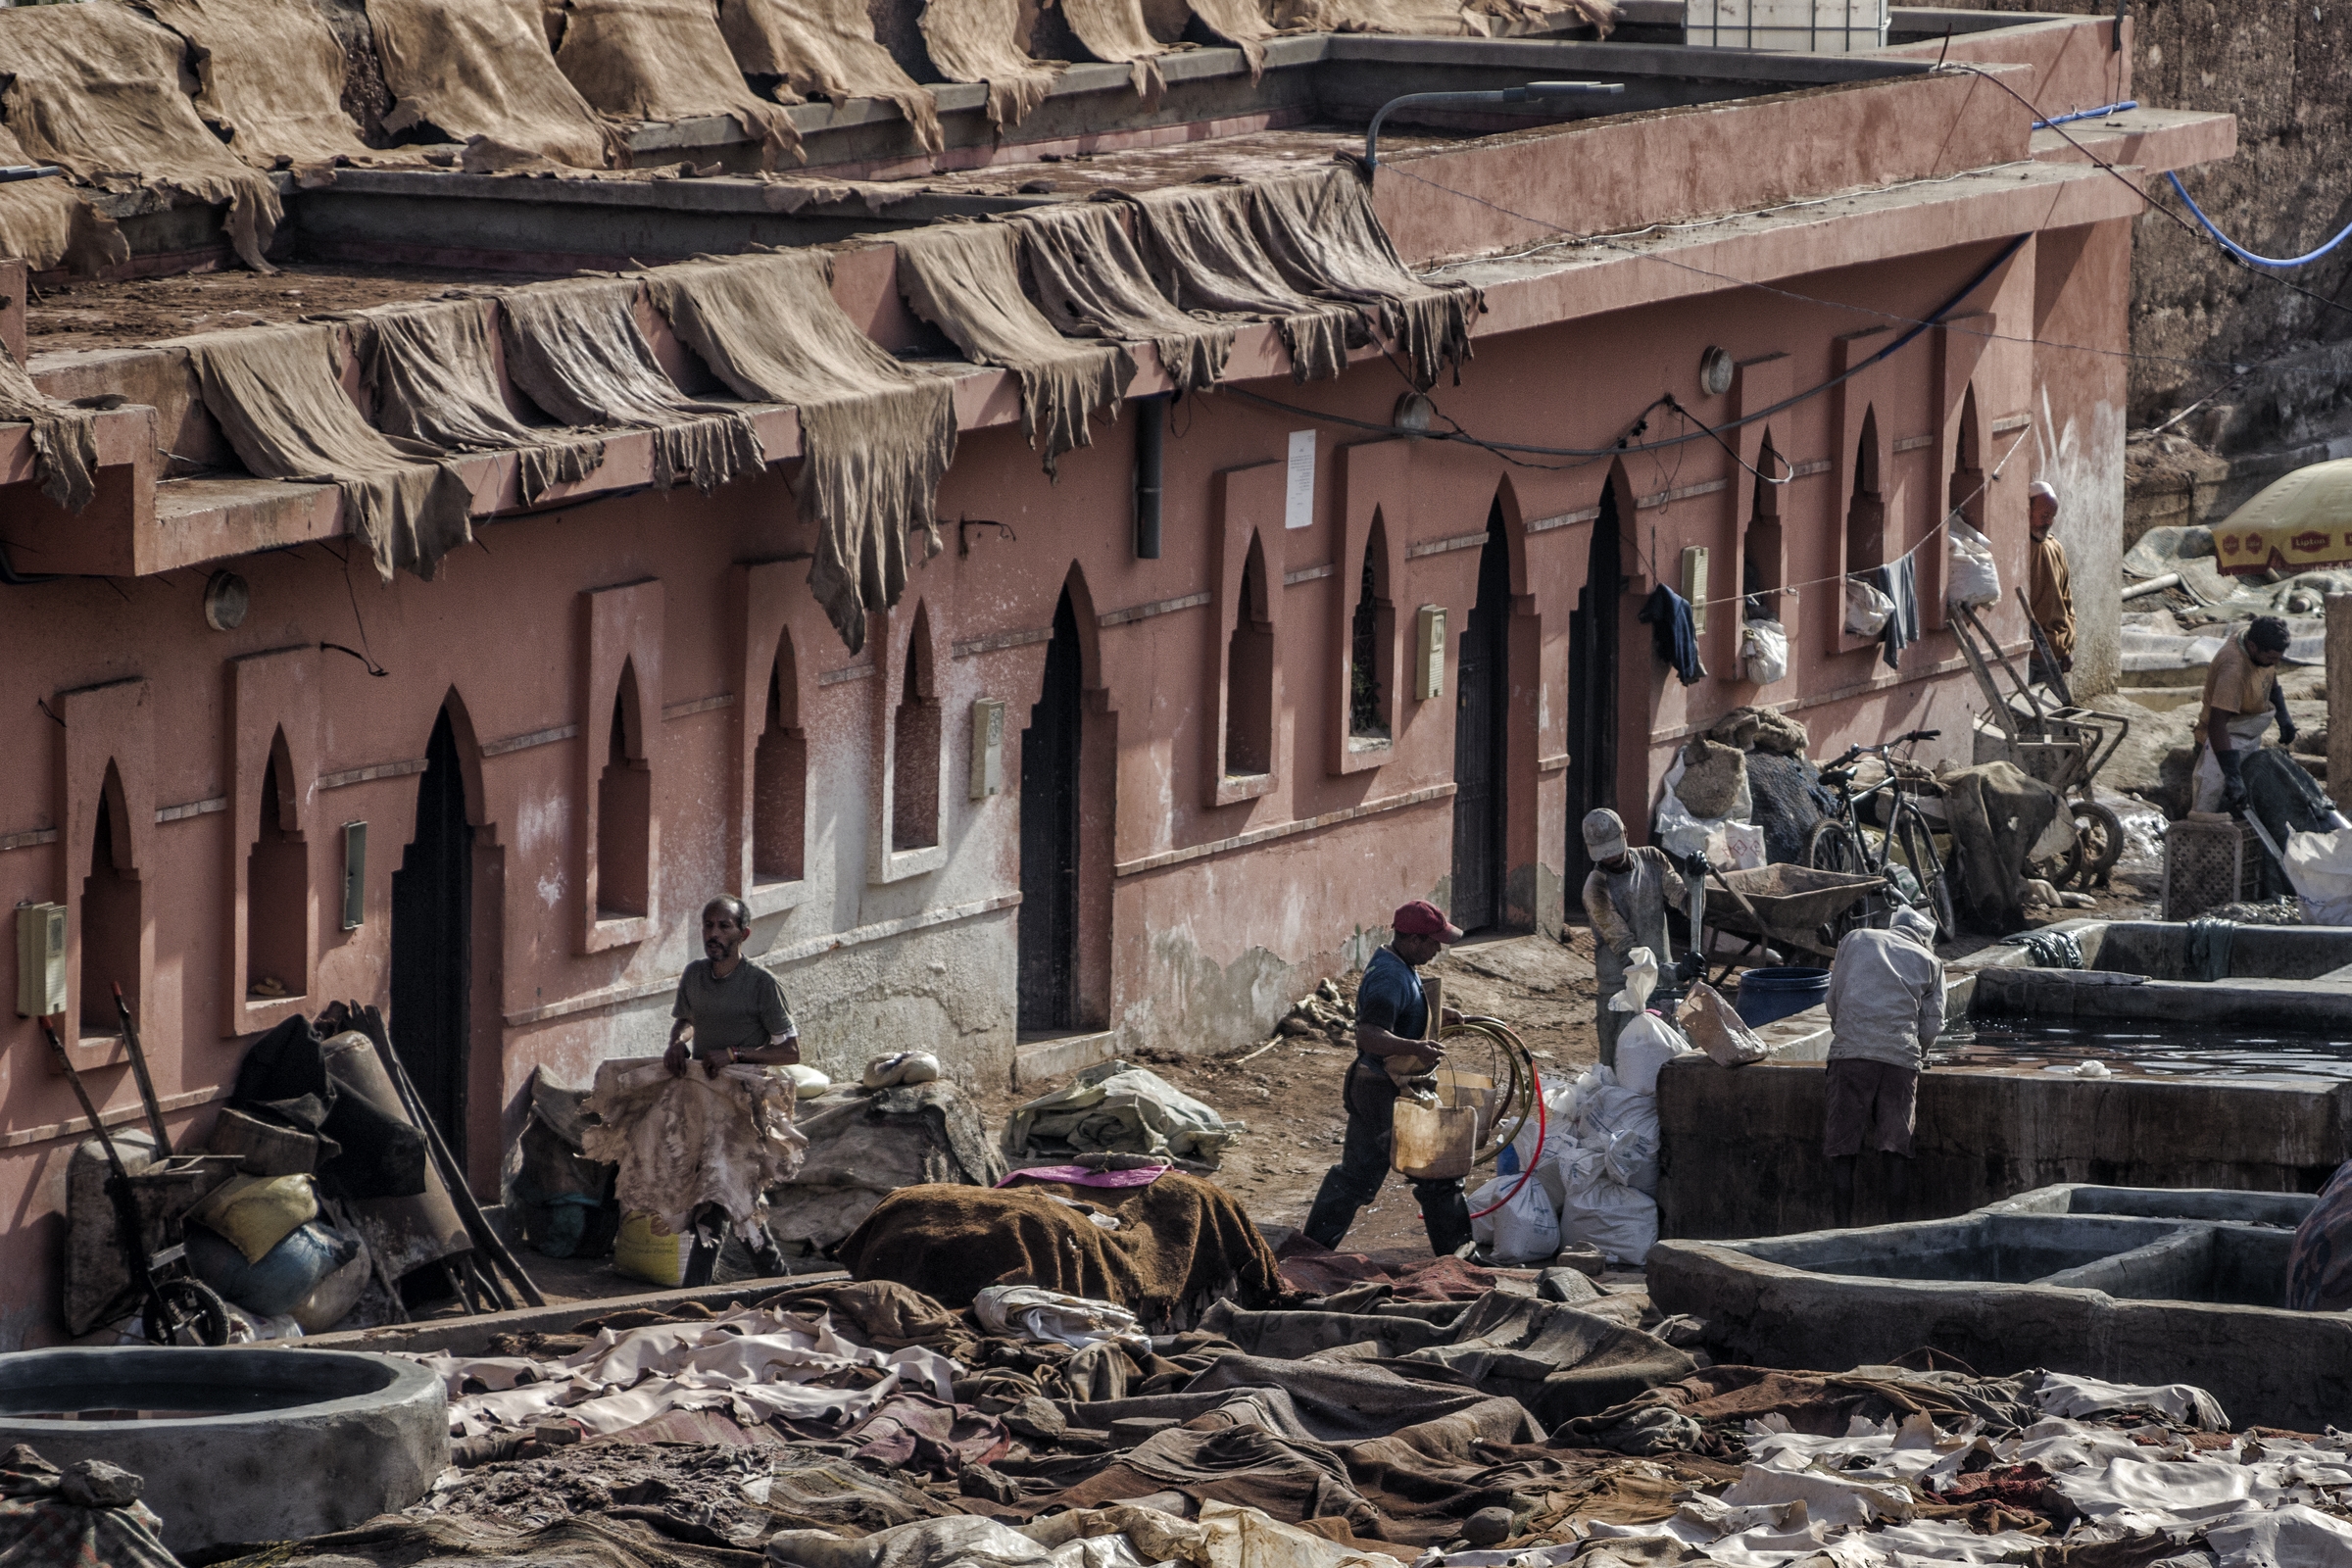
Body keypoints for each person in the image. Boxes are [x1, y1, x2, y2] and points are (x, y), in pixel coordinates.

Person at [1302, 900, 1473, 1257]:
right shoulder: (1389, 977)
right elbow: (1368, 1035)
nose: (1437, 948)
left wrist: (1439, 1013)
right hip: (1385, 1092)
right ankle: (1459, 1258)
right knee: (1436, 1173)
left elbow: (1404, 1008)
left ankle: (1311, 1250)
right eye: (1433, 942)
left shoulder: (1400, 964)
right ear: (1412, 939)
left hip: (1377, 1089)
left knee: (1355, 1178)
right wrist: (1416, 1046)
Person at [664, 896, 802, 1284]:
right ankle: (778, 1284)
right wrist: (677, 1043)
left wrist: (735, 1054)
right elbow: (688, 1020)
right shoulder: (694, 975)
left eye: (724, 927)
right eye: (708, 926)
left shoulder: (761, 984)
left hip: (746, 1108)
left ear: (743, 934)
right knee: (726, 1198)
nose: (713, 934)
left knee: (721, 1195)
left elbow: (790, 1050)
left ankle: (694, 1296)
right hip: (705, 1104)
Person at [1823, 905, 1942, 1229]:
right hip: (1899, 1060)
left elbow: (1834, 998)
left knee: (1842, 1153)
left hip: (1850, 1055)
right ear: (1925, 939)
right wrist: (1917, 1054)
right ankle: (1896, 1235)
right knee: (1895, 1150)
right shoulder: (1931, 961)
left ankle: (1840, 1233)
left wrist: (1849, 1035)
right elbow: (1931, 1026)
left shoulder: (1857, 938)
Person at [1580, 808, 1703, 1068]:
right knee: (1617, 1071)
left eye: (1613, 849)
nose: (1610, 859)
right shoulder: (1596, 888)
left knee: (1669, 1061)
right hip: (1621, 992)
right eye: (1603, 854)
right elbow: (1629, 955)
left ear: (1625, 834)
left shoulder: (1652, 859)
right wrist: (1678, 971)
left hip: (1662, 984)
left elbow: (1691, 907)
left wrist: (1695, 878)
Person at [2193, 615, 2294, 813]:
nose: (2275, 663)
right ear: (2252, 647)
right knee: (2210, 804)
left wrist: (2284, 718)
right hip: (2222, 738)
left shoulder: (2258, 640)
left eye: (2278, 658)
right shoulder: (2234, 670)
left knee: (2250, 794)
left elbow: (2270, 675)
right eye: (2271, 658)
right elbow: (2217, 724)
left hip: (2248, 730)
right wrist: (2231, 774)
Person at [2026, 479, 2075, 681]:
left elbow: (2066, 602)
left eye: (2052, 517)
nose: (2048, 522)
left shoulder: (2055, 548)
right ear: (2027, 510)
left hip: (2052, 652)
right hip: (2028, 651)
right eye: (2044, 516)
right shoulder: (2019, 549)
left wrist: (2066, 648)